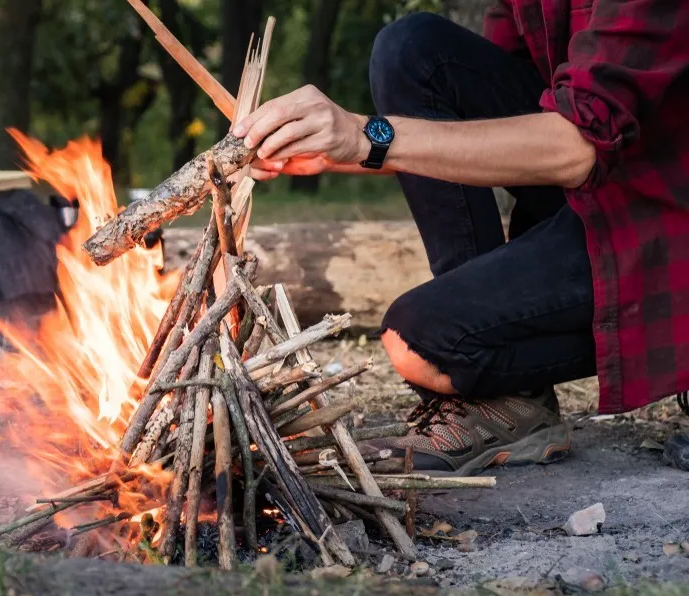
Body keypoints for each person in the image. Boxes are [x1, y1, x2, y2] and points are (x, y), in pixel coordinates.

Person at [233, 1, 689, 474]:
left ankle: (494, 386)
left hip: (663, 218)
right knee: (412, 49)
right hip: (602, 191)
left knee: (421, 343)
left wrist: (366, 136)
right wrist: (333, 150)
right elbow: (477, 126)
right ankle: (508, 398)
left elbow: (577, 148)